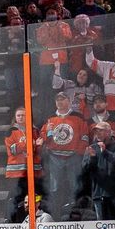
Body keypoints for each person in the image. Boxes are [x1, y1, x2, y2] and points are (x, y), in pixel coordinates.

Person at [36, 92, 89, 221]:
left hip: (73, 157)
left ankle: (74, 214)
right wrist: (47, 131)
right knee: (55, 187)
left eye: (63, 99)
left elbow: (84, 136)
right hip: (55, 157)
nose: (60, 102)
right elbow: (42, 139)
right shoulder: (50, 118)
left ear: (69, 101)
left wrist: (78, 151)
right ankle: (56, 214)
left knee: (74, 185)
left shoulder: (78, 117)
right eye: (58, 100)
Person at [82, 122, 115, 221]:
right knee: (101, 225)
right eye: (96, 131)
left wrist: (105, 152)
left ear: (109, 132)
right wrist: (92, 158)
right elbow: (85, 169)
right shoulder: (92, 148)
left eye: (100, 131)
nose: (97, 134)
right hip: (98, 193)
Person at [4, 107, 42, 222]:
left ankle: (32, 220)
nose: (21, 117)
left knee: (35, 197)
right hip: (16, 172)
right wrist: (31, 144)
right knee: (15, 198)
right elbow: (13, 149)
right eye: (18, 115)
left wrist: (37, 145)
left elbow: (38, 151)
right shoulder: (11, 131)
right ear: (15, 118)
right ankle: (10, 220)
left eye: (23, 115)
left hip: (33, 171)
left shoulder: (35, 130)